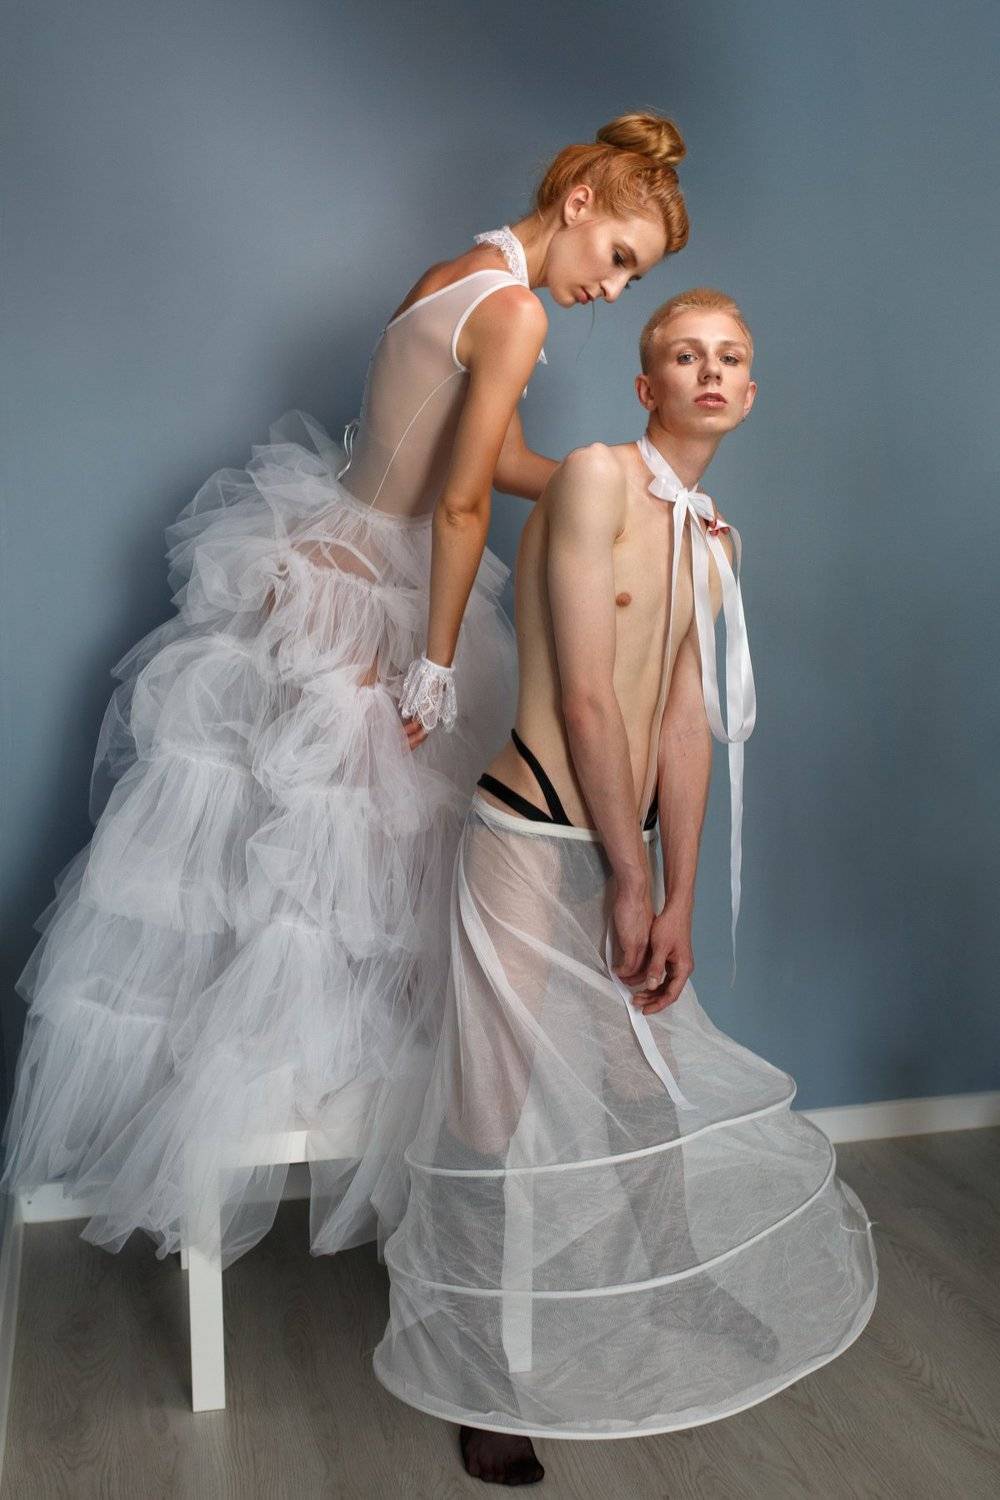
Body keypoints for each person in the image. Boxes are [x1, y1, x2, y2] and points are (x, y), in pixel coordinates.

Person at [1, 114, 690, 1273]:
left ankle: (317, 1099)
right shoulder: (515, 313)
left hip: (324, 551)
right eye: (619, 258)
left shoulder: (455, 276)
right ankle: (338, 1113)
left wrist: (626, 477)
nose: (613, 291)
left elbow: (487, 459)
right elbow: (461, 502)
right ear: (577, 202)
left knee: (284, 867)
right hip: (373, 590)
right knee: (337, 865)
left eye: (634, 279)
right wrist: (434, 656)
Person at [372, 289, 878, 1485]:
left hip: (624, 844)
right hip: (531, 830)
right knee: (494, 1104)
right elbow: (590, 699)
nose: (709, 372)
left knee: (640, 1083)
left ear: (748, 393)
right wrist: (626, 879)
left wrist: (676, 897)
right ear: (647, 387)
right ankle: (485, 1373)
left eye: (729, 358)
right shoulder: (596, 477)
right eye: (683, 356)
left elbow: (684, 725)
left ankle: (675, 1287)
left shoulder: (715, 541)